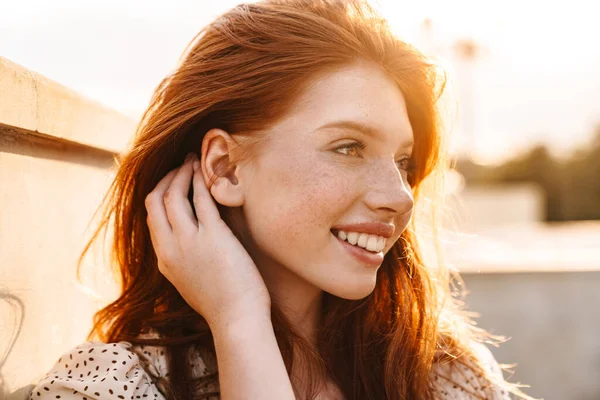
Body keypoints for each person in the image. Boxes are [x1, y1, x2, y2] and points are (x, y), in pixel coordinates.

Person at [29, 0, 533, 399]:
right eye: (349, 147)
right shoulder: (110, 389)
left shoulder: (444, 377)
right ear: (225, 168)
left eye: (403, 161)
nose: (400, 196)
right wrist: (239, 319)